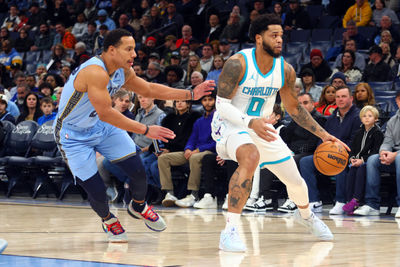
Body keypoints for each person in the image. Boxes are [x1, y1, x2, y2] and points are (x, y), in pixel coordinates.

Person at [53, 29, 214, 242]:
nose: (135, 54)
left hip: (99, 126)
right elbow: (107, 112)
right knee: (97, 191)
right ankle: (108, 220)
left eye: (134, 49)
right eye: (129, 49)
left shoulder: (122, 70)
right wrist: (146, 129)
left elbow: (148, 89)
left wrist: (191, 94)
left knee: (138, 171)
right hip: (72, 135)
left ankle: (138, 206)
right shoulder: (95, 71)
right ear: (111, 50)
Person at [211, 14, 345, 252]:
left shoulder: (285, 70)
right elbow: (221, 104)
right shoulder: (238, 63)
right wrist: (250, 122)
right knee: (250, 156)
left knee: (295, 181)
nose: (280, 39)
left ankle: (306, 217)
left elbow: (294, 108)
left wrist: (324, 135)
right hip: (230, 124)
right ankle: (229, 230)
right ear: (258, 38)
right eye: (274, 35)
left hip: (261, 127)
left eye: (281, 35)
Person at [300, 86, 361, 215]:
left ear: (351, 98)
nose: (340, 99)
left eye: (343, 96)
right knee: (305, 161)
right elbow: (323, 138)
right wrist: (320, 151)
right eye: (337, 97)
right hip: (329, 153)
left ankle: (341, 201)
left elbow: (356, 141)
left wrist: (337, 150)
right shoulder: (331, 118)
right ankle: (314, 201)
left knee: (339, 161)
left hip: (349, 154)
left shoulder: (358, 116)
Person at [160, 93, 216, 208]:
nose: (207, 102)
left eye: (210, 100)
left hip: (210, 151)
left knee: (195, 157)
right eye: (204, 100)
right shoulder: (199, 121)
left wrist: (199, 149)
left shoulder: (218, 119)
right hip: (194, 151)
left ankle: (193, 195)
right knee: (163, 158)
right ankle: (169, 194)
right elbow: (192, 138)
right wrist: (188, 149)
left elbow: (217, 141)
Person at [354, 91, 400, 216]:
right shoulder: (393, 121)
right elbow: (387, 141)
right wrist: (384, 152)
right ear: (397, 101)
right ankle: (372, 205)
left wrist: (395, 155)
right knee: (373, 159)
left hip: (398, 157)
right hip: (392, 157)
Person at [342, 105, 384, 215]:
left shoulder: (378, 133)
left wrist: (362, 160)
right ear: (361, 119)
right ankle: (350, 200)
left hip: (367, 162)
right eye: (364, 116)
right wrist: (352, 159)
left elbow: (376, 151)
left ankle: (356, 200)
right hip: (357, 161)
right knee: (351, 172)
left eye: (370, 116)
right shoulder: (358, 133)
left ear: (375, 119)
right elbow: (352, 149)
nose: (366, 118)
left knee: (361, 170)